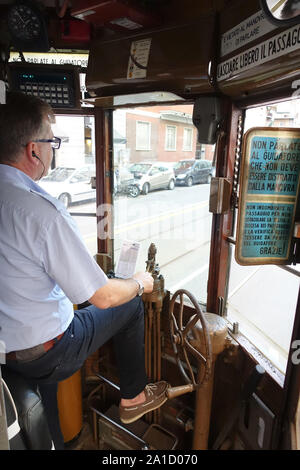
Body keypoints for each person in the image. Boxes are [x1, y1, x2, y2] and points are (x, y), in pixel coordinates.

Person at [0, 92, 168, 448]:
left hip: (6, 354)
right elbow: (104, 297)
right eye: (52, 142)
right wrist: (140, 282)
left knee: (46, 415)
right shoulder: (40, 212)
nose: (53, 150)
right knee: (130, 305)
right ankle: (133, 398)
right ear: (34, 150)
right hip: (50, 351)